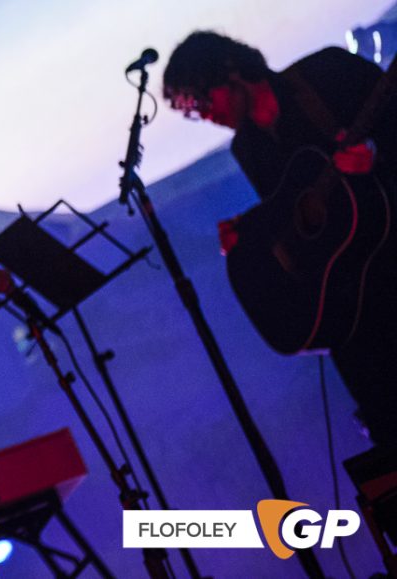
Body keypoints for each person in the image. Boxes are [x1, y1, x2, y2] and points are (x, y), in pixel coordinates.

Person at [162, 30, 397, 449]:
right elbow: (296, 213)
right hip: (359, 301)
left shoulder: (326, 72)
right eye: (193, 112)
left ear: (229, 71)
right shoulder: (248, 148)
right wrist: (249, 231)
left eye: (201, 101)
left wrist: (376, 155)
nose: (205, 116)